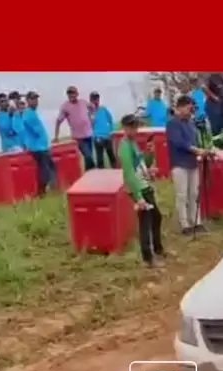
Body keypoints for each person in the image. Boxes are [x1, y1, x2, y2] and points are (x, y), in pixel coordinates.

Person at [119, 114, 165, 269]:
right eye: (132, 127)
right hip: (137, 188)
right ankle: (148, 258)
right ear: (125, 128)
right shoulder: (124, 147)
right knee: (145, 221)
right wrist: (138, 197)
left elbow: (141, 163)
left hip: (144, 184)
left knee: (156, 217)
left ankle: (157, 249)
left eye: (136, 126)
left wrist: (150, 153)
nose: (135, 130)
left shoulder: (133, 143)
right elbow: (129, 173)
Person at [166, 94, 208, 236]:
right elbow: (179, 142)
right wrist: (196, 150)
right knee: (182, 195)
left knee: (194, 193)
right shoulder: (172, 124)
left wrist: (203, 149)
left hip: (193, 163)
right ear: (181, 107)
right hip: (179, 163)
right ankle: (185, 224)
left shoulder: (191, 123)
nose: (191, 112)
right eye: (189, 109)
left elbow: (196, 140)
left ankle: (196, 221)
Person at [24, 91, 57, 196]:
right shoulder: (29, 114)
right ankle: (42, 191)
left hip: (40, 146)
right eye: (33, 99)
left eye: (36, 99)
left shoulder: (31, 113)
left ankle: (49, 189)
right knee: (45, 170)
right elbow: (37, 131)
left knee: (48, 168)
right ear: (28, 101)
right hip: (38, 147)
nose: (35, 101)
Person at [54, 86, 94, 171]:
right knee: (88, 156)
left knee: (89, 156)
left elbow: (92, 107)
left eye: (73, 93)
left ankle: (90, 173)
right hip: (78, 137)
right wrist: (56, 136)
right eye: (69, 93)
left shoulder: (83, 102)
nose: (71, 95)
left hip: (89, 134)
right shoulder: (65, 107)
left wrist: (91, 117)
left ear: (77, 94)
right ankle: (92, 172)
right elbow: (58, 121)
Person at [89, 92, 117, 169]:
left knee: (111, 155)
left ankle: (116, 172)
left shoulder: (103, 109)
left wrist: (111, 131)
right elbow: (90, 124)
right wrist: (93, 112)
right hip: (97, 137)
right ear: (91, 100)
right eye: (94, 99)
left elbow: (110, 120)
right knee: (100, 158)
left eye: (97, 98)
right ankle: (101, 174)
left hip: (107, 136)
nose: (96, 101)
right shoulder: (89, 112)